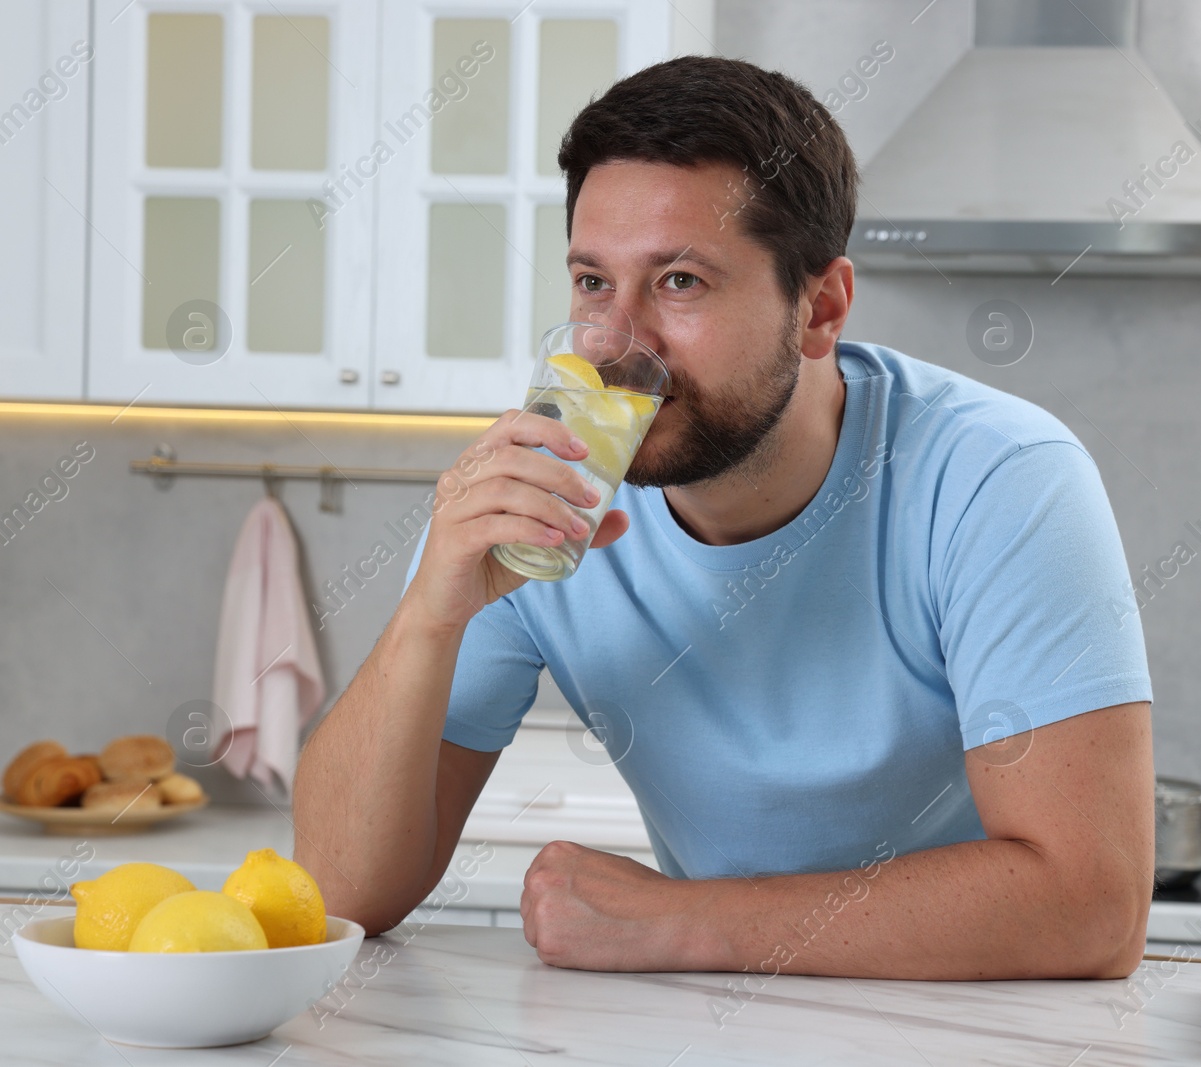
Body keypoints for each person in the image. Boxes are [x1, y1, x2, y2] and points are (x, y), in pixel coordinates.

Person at [294, 55, 1154, 981]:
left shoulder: (1000, 480)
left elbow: (1089, 909)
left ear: (819, 308)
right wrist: (431, 609)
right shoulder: (541, 488)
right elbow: (341, 895)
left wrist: (681, 922)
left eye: (679, 283)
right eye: (592, 282)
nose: (617, 346)